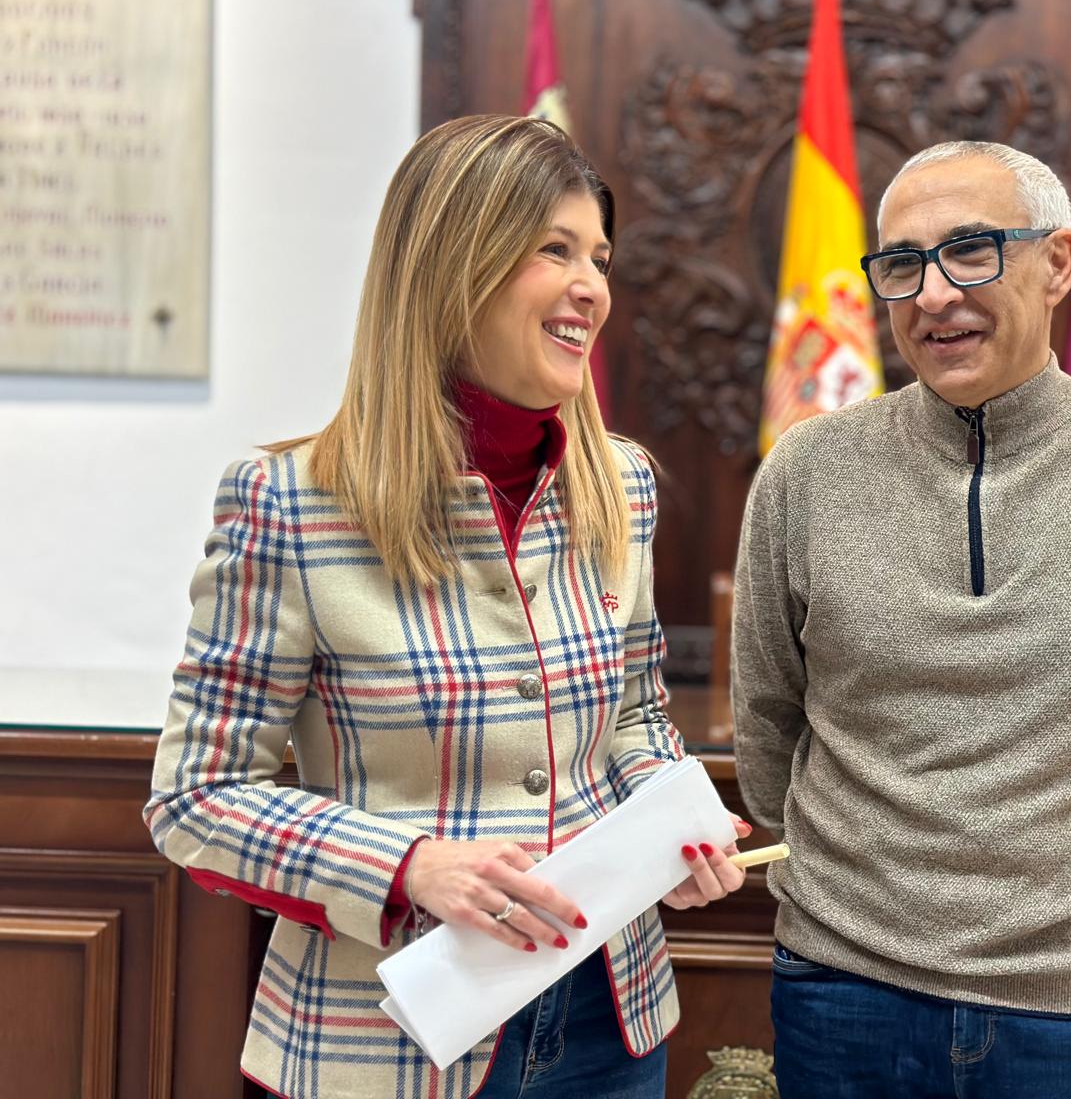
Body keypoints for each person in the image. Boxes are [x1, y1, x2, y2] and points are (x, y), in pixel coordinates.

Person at [146, 115, 747, 1099]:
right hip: (387, 1044)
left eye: (599, 255)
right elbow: (196, 800)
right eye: (554, 250)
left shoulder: (623, 484)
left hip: (611, 1029)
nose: (592, 285)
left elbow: (635, 720)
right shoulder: (286, 501)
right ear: (451, 264)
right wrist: (409, 865)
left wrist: (672, 819)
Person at [731, 140, 1071, 1098]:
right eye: (901, 265)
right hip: (844, 990)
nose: (934, 295)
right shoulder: (806, 472)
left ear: (1057, 263)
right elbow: (768, 721)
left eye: (972, 250)